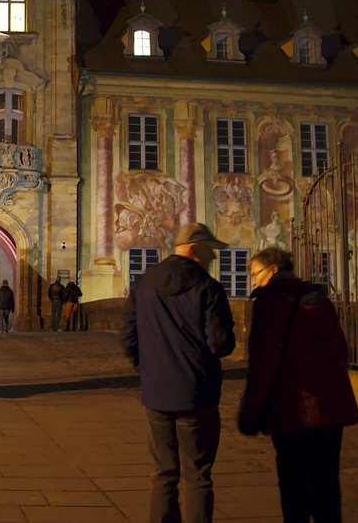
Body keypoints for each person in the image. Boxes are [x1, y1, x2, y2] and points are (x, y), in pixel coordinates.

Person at [122, 222, 236, 523]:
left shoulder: (144, 282)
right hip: (198, 394)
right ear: (195, 249)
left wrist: (148, 371)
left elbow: (129, 338)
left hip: (156, 393)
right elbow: (220, 343)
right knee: (197, 476)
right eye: (210, 250)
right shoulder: (207, 286)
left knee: (162, 473)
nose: (213, 257)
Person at [238, 247, 358, 523]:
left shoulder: (270, 302)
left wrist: (250, 410)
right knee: (327, 484)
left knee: (294, 487)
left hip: (292, 408)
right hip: (330, 408)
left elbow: (263, 361)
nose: (254, 281)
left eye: (256, 273)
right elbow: (341, 350)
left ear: (274, 270)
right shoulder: (319, 300)